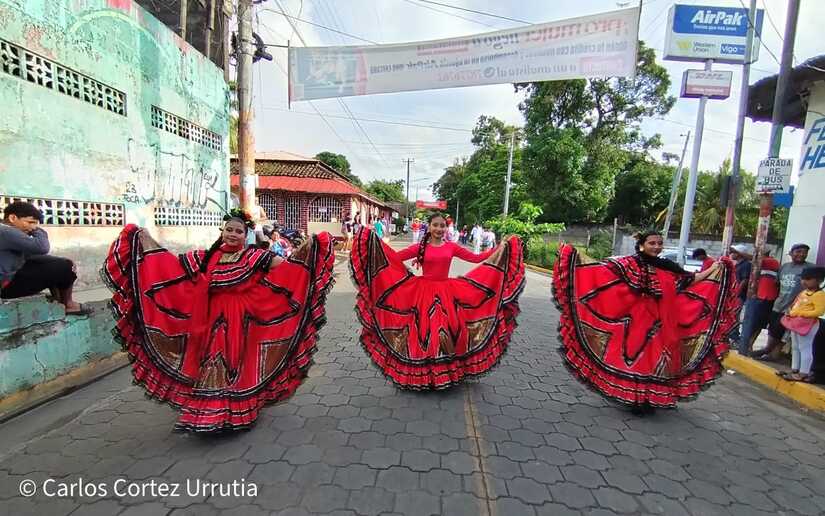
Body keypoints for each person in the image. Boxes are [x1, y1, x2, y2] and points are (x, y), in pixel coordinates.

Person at [101, 209, 335, 432]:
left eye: (238, 231)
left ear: (247, 235)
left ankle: (234, 411)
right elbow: (172, 266)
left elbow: (290, 269)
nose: (233, 234)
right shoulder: (207, 257)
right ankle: (212, 412)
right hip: (211, 319)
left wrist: (310, 249)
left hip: (243, 318)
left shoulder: (254, 256)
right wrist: (143, 241)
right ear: (222, 231)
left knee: (238, 362)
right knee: (212, 360)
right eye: (229, 230)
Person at [553, 230, 740, 411]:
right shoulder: (630, 263)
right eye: (652, 243)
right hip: (637, 318)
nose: (656, 246)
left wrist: (715, 268)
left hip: (663, 321)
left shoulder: (667, 265)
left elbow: (691, 280)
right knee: (636, 357)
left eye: (659, 243)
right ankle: (636, 399)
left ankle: (648, 398)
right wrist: (575, 256)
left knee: (655, 360)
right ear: (642, 245)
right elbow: (603, 271)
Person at [350, 212, 525, 389]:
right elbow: (393, 258)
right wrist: (373, 241)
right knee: (424, 334)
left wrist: (502, 248)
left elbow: (476, 258)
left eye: (442, 226)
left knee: (447, 333)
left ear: (446, 228)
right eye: (436, 225)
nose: (439, 229)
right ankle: (426, 377)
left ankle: (443, 375)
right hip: (422, 293)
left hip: (447, 293)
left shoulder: (452, 247)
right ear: (429, 226)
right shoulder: (420, 247)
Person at [1, 201, 89, 315]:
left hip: (9, 281)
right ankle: (68, 304)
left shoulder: (8, 234)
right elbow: (42, 247)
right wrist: (38, 230)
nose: (33, 227)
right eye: (30, 222)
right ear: (13, 218)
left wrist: (62, 261)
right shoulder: (6, 231)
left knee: (61, 264)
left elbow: (33, 256)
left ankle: (60, 301)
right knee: (65, 267)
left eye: (35, 223)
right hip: (6, 286)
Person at [753, 244, 813, 360]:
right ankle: (769, 351)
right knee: (773, 329)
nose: (801, 254)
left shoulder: (809, 268)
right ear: (791, 253)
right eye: (798, 251)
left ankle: (771, 352)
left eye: (804, 252)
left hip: (794, 308)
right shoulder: (784, 267)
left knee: (783, 332)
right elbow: (777, 283)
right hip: (779, 304)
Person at [777, 267, 825, 383]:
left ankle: (803, 372)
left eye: (808, 279)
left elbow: (819, 311)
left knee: (805, 348)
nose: (804, 281)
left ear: (818, 280)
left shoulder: (819, 295)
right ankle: (795, 370)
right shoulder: (804, 292)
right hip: (796, 323)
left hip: (808, 324)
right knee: (795, 347)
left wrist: (799, 313)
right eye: (803, 279)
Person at [738, 249, 780, 354]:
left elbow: (754, 259)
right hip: (758, 297)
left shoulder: (771, 262)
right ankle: (748, 346)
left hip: (766, 298)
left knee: (756, 323)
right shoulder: (758, 265)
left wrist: (738, 251)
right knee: (753, 323)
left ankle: (748, 345)